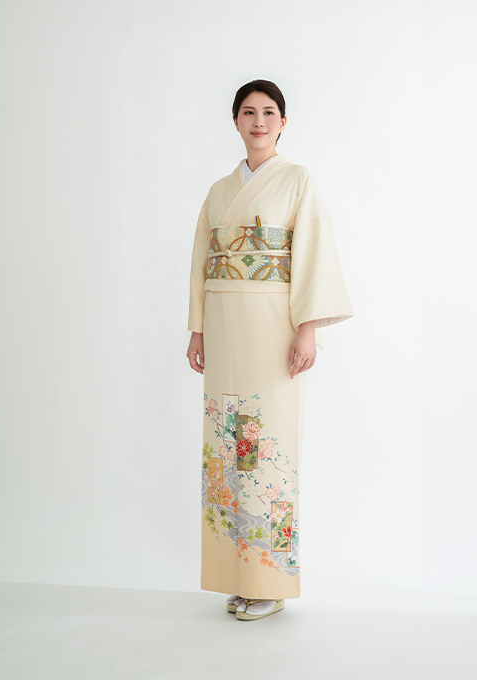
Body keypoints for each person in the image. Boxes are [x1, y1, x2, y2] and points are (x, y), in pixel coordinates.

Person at [186, 79, 353, 621]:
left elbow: (313, 255)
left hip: (271, 327)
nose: (258, 121)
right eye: (248, 112)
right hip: (223, 324)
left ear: (283, 122)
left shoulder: (298, 180)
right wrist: (197, 329)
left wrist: (307, 329)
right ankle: (236, 577)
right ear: (235, 121)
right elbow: (202, 261)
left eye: (269, 112)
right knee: (227, 443)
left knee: (265, 444)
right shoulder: (218, 191)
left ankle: (269, 580)